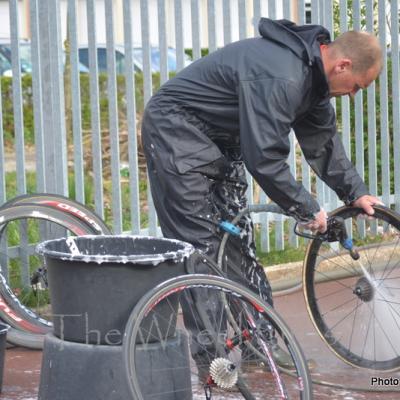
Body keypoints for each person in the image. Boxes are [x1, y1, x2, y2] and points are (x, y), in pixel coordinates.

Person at [141, 18, 383, 374]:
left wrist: (357, 193)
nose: (352, 94)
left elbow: (323, 144)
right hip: (176, 132)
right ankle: (214, 364)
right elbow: (265, 158)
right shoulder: (282, 76)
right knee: (201, 249)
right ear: (342, 65)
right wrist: (306, 207)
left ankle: (258, 344)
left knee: (239, 243)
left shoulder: (314, 80)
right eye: (357, 87)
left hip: (220, 141)